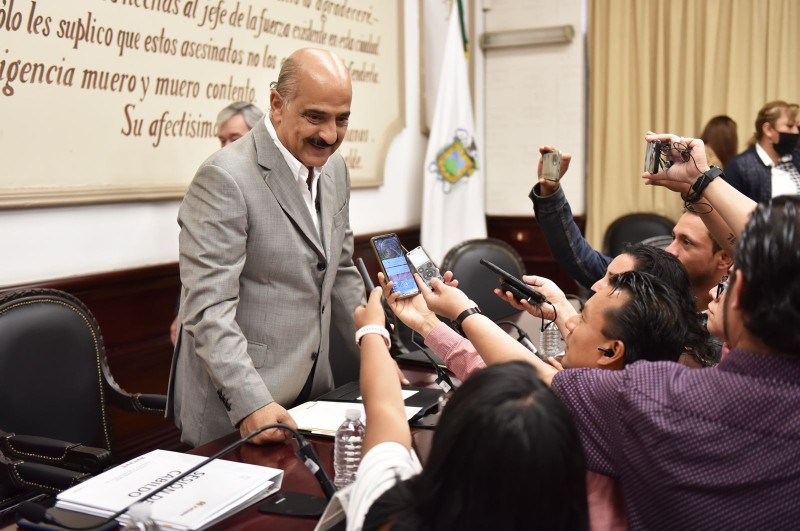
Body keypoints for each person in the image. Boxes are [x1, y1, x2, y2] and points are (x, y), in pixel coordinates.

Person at [430, 135, 800, 528]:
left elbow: (537, 384)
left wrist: (450, 316)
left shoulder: (656, 396)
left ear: (734, 288)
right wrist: (702, 181)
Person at [167, 48, 365, 447]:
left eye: (341, 119)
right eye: (315, 117)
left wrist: (377, 353)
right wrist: (250, 402)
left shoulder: (336, 169)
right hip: (240, 410)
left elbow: (341, 272)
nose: (330, 135)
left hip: (314, 397)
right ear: (277, 104)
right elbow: (208, 308)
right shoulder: (224, 177)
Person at [345, 287, 589, 531]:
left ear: (451, 441)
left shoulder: (392, 512)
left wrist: (372, 331)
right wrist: (426, 323)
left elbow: (385, 408)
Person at [529, 146, 730, 309]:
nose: (670, 250)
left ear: (725, 258)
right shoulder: (653, 281)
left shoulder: (734, 318)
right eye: (674, 237)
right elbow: (579, 259)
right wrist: (550, 193)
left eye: (686, 242)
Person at [169, 101, 266, 347]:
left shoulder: (274, 184)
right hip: (218, 330)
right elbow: (201, 261)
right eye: (222, 140)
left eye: (234, 138)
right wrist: (181, 312)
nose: (225, 147)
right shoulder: (215, 178)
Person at [723, 100, 800, 202]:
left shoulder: (797, 158)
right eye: (790, 126)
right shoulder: (738, 168)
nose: (796, 131)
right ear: (768, 130)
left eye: (797, 126)